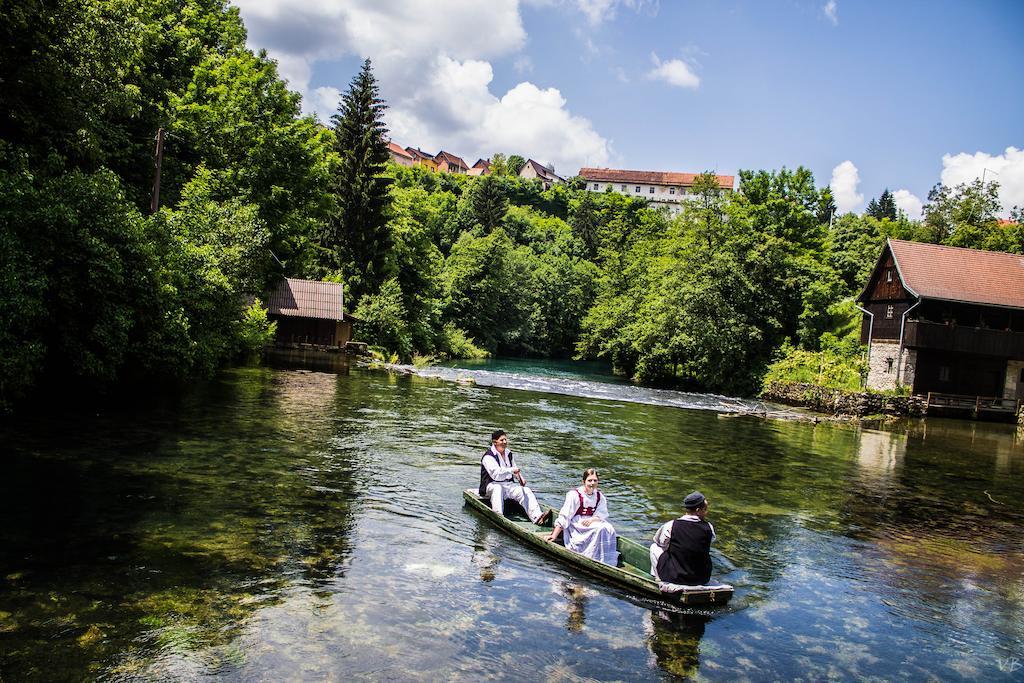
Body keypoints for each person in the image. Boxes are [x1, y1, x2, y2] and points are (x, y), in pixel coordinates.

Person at [545, 468, 618, 567]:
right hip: (577, 524)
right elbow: (565, 516)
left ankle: (604, 559)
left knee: (609, 528)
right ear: (584, 481)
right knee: (599, 529)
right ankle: (591, 556)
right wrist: (554, 535)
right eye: (589, 480)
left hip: (592, 520)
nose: (592, 483)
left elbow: (601, 514)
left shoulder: (599, 496)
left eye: (595, 480)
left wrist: (592, 519)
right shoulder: (574, 495)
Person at [479, 429, 550, 525]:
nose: (505, 442)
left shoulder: (508, 453)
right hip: (491, 486)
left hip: (508, 485)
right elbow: (496, 475)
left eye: (505, 440)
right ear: (494, 442)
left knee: (525, 490)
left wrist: (520, 477)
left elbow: (515, 468)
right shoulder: (488, 457)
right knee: (497, 488)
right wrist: (511, 470)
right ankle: (498, 516)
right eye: (502, 440)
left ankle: (537, 517)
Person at [649, 491, 717, 587]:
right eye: (705, 509)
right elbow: (709, 541)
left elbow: (659, 542)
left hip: (676, 578)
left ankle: (660, 578)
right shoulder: (708, 527)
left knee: (654, 547)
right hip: (702, 579)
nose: (706, 512)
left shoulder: (671, 525)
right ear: (698, 510)